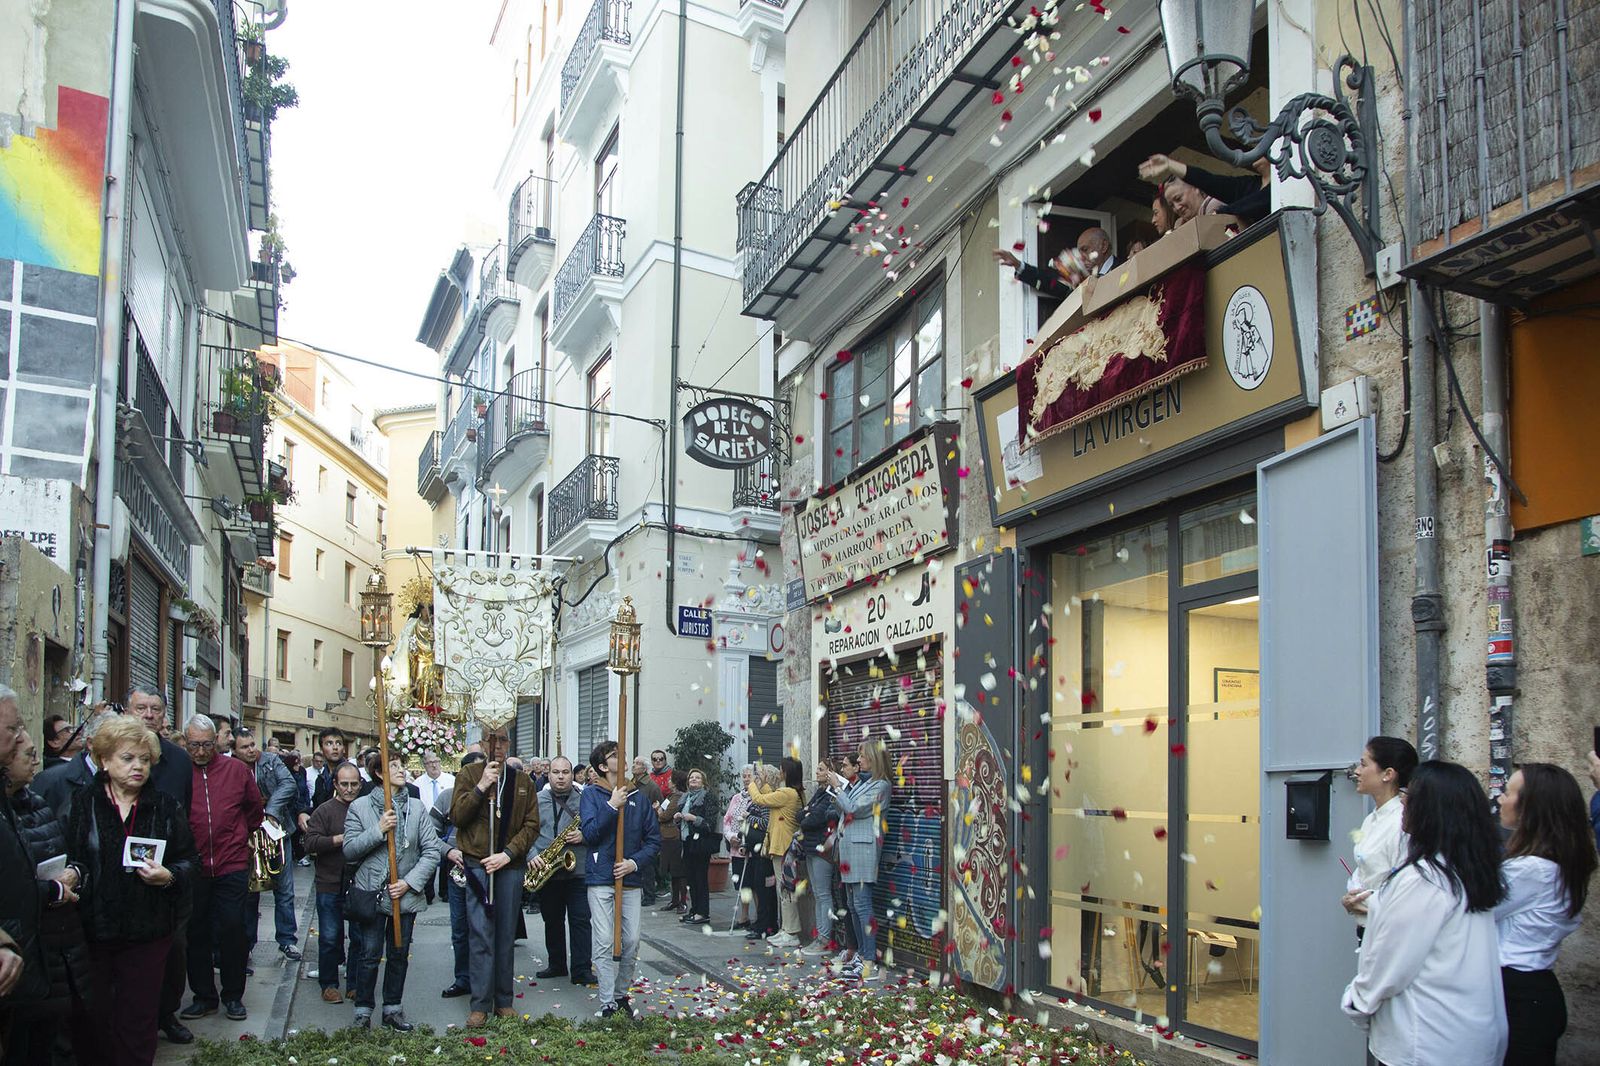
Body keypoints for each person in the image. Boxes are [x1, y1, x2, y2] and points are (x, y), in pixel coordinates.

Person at [1340, 761, 1507, 1066]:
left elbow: (1390, 960)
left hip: (1427, 1040)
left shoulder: (1424, 877)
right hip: (1468, 1034)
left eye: (1410, 795)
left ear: (1431, 809)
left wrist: (1357, 1000)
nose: (1403, 801)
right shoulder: (1468, 869)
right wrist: (1378, 902)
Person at [66, 713, 197, 1066]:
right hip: (95, 930)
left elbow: (189, 862)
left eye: (144, 759)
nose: (138, 767)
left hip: (148, 931)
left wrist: (168, 876)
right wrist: (73, 874)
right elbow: (74, 855)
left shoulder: (166, 807)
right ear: (105, 760)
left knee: (138, 1020)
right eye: (128, 759)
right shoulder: (84, 804)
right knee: (94, 1018)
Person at [1495, 763, 1596, 1064]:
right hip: (1530, 993)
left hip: (1519, 996)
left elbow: (1466, 907)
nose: (1500, 799)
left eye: (1508, 793)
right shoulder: (1549, 864)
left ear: (1532, 808)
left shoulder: (1533, 870)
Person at [3, 727, 90, 1065]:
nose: (36, 760)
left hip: (56, 944)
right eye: (27, 754)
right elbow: (14, 884)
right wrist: (51, 890)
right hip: (25, 947)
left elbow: (70, 852)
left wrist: (76, 873)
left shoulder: (38, 803)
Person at [343, 755, 442, 1031]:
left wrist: (409, 883)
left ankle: (393, 1009)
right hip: (372, 892)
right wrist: (378, 830)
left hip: (404, 895)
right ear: (378, 773)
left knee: (399, 952)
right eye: (394, 766)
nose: (402, 771)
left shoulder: (417, 807)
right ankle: (363, 1011)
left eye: (402, 766)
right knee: (369, 953)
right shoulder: (360, 807)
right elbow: (349, 850)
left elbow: (431, 851)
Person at [449, 726, 540, 1028]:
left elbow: (531, 825)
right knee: (480, 935)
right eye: (491, 740)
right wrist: (481, 787)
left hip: (509, 866)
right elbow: (458, 817)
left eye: (501, 740)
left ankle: (504, 1000)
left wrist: (509, 853)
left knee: (504, 935)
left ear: (509, 744)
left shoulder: (523, 780)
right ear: (482, 743)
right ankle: (479, 1004)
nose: (496, 746)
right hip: (477, 865)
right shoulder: (468, 775)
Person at [178, 714, 264, 1023]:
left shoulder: (236, 771)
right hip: (194, 866)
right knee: (196, 930)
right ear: (186, 743)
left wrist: (240, 836)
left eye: (205, 744)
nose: (200, 751)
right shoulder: (180, 772)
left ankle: (233, 995)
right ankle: (204, 996)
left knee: (232, 928)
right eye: (193, 745)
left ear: (216, 742)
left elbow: (255, 809)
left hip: (231, 863)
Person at [580, 740, 661, 1020]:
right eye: (615, 755)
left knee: (631, 940)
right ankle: (606, 1002)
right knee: (603, 940)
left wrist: (633, 862)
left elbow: (653, 839)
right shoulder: (591, 795)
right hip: (601, 876)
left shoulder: (638, 796)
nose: (623, 757)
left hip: (629, 878)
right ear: (603, 766)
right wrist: (612, 806)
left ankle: (619, 993)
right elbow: (590, 834)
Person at [235, 727, 302, 963]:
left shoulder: (272, 760)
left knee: (285, 889)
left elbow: (288, 785)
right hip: (247, 835)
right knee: (250, 892)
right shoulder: (232, 768)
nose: (251, 750)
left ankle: (287, 940)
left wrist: (270, 810)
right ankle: (246, 943)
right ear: (235, 750)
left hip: (278, 831)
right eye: (244, 747)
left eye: (252, 744)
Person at [828, 742, 893, 979]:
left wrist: (839, 788)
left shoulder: (881, 786)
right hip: (852, 850)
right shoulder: (866, 783)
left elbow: (854, 808)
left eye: (864, 756)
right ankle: (862, 956)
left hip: (864, 850)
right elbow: (844, 810)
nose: (860, 760)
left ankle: (869, 960)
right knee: (855, 905)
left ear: (874, 759)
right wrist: (836, 792)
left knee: (863, 905)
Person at [1342, 736, 1417, 937]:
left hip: (1390, 930)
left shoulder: (1403, 822)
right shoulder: (1372, 819)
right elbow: (1364, 871)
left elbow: (1406, 886)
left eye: (1364, 764)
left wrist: (1363, 901)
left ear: (1388, 774)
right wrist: (1351, 896)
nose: (1357, 771)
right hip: (1368, 926)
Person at [530, 756, 595, 985]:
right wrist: (532, 856)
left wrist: (584, 836)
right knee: (552, 919)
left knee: (580, 920)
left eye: (565, 772)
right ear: (548, 774)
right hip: (547, 869)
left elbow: (600, 829)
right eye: (556, 772)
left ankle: (581, 970)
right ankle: (556, 964)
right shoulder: (537, 800)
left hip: (578, 870)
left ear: (572, 774)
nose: (560, 776)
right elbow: (525, 831)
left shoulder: (586, 799)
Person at [305, 762, 363, 1004]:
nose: (349, 789)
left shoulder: (366, 808)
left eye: (354, 784)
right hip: (329, 882)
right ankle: (328, 984)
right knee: (330, 936)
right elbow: (310, 844)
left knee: (359, 936)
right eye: (345, 784)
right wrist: (339, 839)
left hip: (359, 883)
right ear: (336, 785)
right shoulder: (324, 811)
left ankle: (355, 983)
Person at [433, 752, 483, 999]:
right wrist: (450, 851)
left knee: (485, 929)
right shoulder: (445, 797)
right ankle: (463, 978)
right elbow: (430, 835)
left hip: (487, 871)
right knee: (461, 929)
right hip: (458, 872)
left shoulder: (494, 797)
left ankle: (484, 979)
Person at [747, 759, 802, 946]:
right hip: (780, 846)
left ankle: (792, 931)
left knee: (786, 891)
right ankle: (786, 928)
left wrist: (754, 784)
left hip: (783, 847)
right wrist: (763, 784)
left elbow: (760, 800)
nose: (779, 772)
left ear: (787, 772)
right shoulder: (788, 793)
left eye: (781, 769)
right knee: (782, 889)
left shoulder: (787, 793)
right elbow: (769, 797)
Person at [1139, 152, 1272, 225]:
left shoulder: (1282, 186)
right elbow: (1211, 181)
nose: (1177, 207)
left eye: (1178, 198)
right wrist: (1170, 164)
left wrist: (1222, 212)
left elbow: (1259, 201)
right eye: (1171, 205)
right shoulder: (1250, 184)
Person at [799, 759, 842, 956]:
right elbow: (801, 815)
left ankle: (824, 938)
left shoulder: (830, 794)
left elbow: (815, 818)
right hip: (811, 847)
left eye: (821, 769)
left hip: (822, 848)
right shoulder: (819, 792)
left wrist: (808, 815)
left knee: (823, 893)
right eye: (816, 768)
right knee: (817, 893)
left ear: (830, 772)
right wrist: (807, 814)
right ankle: (820, 936)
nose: (816, 772)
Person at [675, 767, 717, 925]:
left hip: (701, 843)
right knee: (691, 879)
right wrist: (678, 818)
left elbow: (710, 824)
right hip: (687, 842)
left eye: (697, 778)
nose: (693, 779)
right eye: (691, 777)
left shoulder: (708, 797)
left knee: (700, 879)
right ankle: (694, 910)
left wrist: (693, 818)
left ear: (703, 782)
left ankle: (702, 912)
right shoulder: (685, 798)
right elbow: (680, 823)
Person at [723, 765, 756, 929]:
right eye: (744, 775)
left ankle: (759, 917)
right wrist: (730, 836)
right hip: (736, 846)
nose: (746, 778)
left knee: (752, 884)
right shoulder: (736, 797)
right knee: (741, 885)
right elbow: (727, 819)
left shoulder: (758, 797)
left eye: (749, 775)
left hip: (750, 846)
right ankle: (744, 916)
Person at [630, 757, 665, 905]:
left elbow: (661, 805)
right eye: (634, 762)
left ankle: (650, 895)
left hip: (646, 829)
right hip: (632, 828)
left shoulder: (651, 786)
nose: (634, 766)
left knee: (648, 865)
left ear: (644, 768)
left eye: (638, 764)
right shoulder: (631, 783)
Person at [657, 769, 687, 913]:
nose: (668, 781)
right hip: (667, 837)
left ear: (675, 783)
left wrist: (658, 810)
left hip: (673, 837)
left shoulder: (677, 797)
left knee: (678, 871)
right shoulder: (671, 796)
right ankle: (674, 900)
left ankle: (682, 902)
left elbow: (665, 815)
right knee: (672, 871)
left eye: (670, 779)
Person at [309, 727, 351, 813]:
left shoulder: (351, 774)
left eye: (339, 743)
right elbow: (317, 807)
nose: (335, 747)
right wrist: (304, 812)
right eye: (329, 744)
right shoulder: (321, 779)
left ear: (344, 748)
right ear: (321, 749)